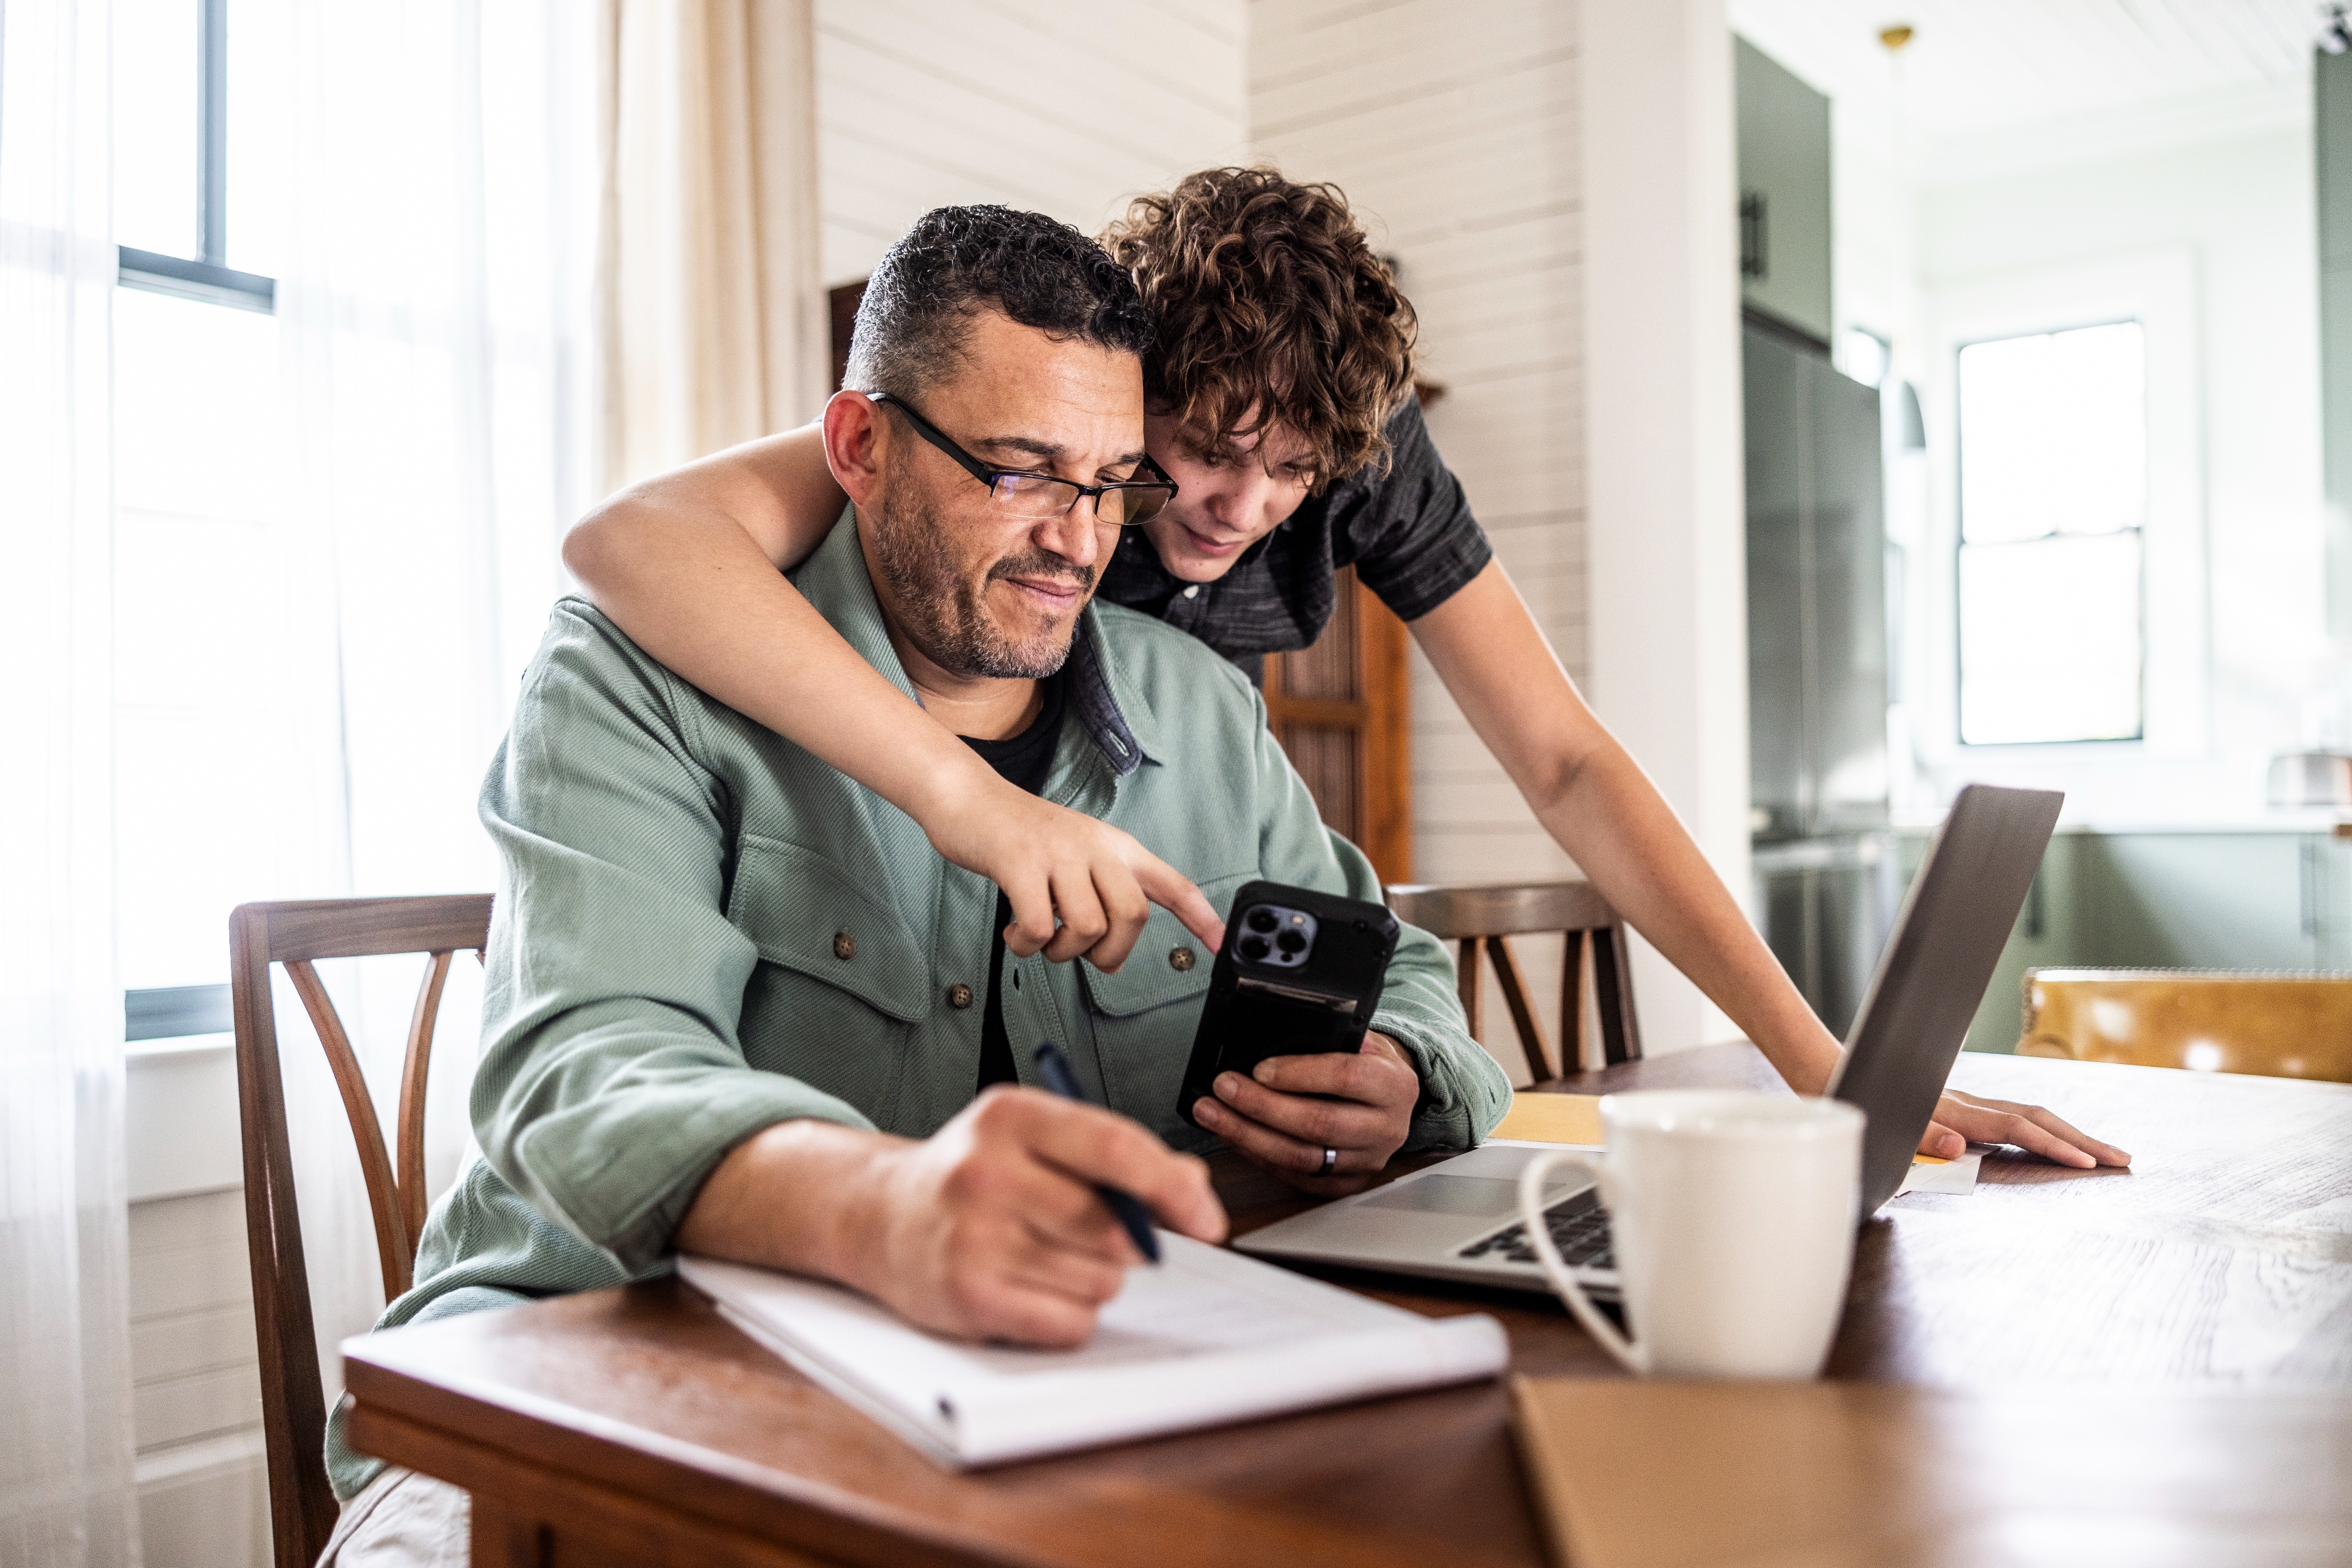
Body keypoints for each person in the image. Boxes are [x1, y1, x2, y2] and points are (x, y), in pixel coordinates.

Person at [316, 204, 1510, 1563]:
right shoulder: (635, 670)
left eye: (1113, 483)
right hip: (563, 1390)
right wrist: (883, 1208)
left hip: (1042, 1410)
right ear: (859, 448)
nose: (1079, 541)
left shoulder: (1202, 704)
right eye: (1021, 471)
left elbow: (1402, 969)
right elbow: (588, 1078)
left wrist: (1402, 1070)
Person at [564, 167, 2131, 1172]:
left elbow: (1567, 760)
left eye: (1294, 472)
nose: (1237, 509)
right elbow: (633, 541)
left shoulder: (1293, 547)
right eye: (1193, 451)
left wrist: (1822, 1064)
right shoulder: (1020, 448)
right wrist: (965, 799)